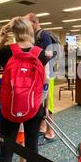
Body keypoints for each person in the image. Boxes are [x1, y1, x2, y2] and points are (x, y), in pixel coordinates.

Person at [0, 16, 50, 162]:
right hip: (33, 107)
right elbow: (46, 83)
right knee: (32, 148)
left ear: (14, 32)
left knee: (6, 151)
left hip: (9, 108)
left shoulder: (6, 52)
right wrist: (44, 108)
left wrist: (3, 35)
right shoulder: (41, 54)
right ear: (31, 32)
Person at [25, 13, 56, 142]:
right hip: (39, 73)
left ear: (34, 22)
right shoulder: (33, 36)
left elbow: (47, 56)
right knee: (40, 102)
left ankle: (50, 130)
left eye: (27, 23)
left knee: (49, 104)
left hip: (48, 74)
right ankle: (43, 126)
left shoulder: (44, 35)